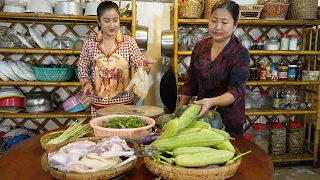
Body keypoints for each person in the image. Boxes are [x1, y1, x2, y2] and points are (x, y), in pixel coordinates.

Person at [178, 0, 250, 134]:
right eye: (214, 20)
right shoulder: (200, 47)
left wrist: (211, 102)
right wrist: (180, 109)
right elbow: (191, 81)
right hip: (201, 116)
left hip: (229, 120)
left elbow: (236, 91)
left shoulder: (240, 53)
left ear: (235, 25)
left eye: (224, 22)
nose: (217, 27)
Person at [78, 1, 154, 117]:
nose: (112, 25)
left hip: (124, 105)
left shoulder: (128, 42)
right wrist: (86, 82)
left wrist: (144, 64)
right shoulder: (90, 43)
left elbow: (138, 61)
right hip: (99, 105)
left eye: (115, 20)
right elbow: (82, 64)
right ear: (98, 22)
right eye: (107, 21)